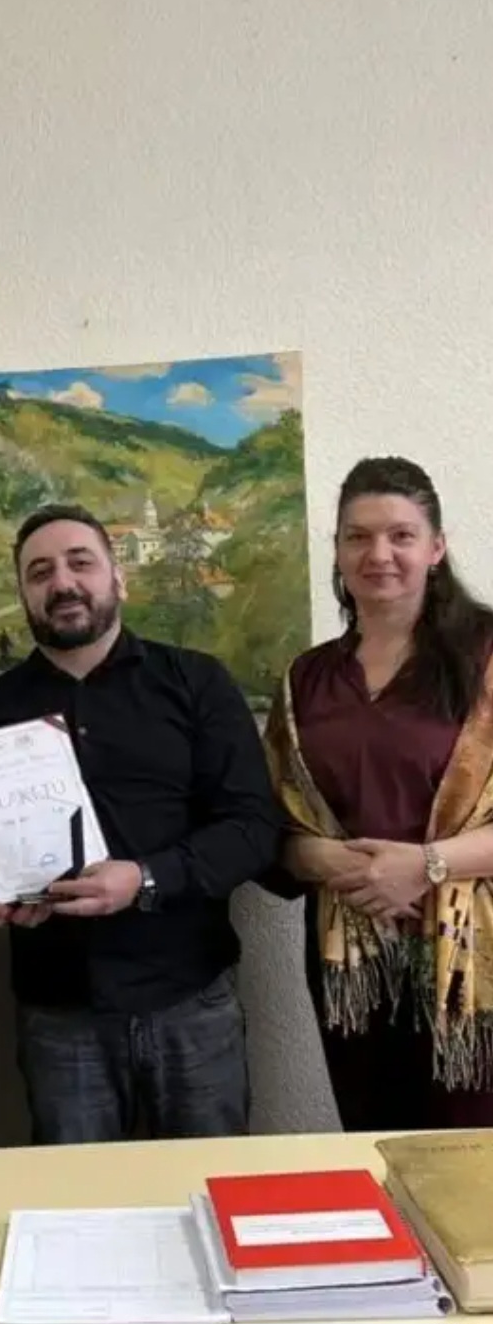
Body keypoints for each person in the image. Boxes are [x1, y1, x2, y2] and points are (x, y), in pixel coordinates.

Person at [0, 503, 281, 1144]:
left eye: (80, 563)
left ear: (118, 578)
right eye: (40, 572)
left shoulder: (196, 682)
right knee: (77, 1197)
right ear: (23, 595)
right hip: (59, 1012)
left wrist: (145, 878)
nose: (62, 582)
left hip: (189, 997)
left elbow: (253, 829)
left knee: (206, 1185)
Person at [265, 456, 493, 1130]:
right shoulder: (306, 680)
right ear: (337, 551)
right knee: (371, 1142)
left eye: (401, 535)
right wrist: (324, 861)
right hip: (352, 962)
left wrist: (424, 865)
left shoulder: (486, 658)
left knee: (471, 1158)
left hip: (474, 958)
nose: (379, 554)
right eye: (358, 536)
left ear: (436, 547)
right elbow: (269, 826)